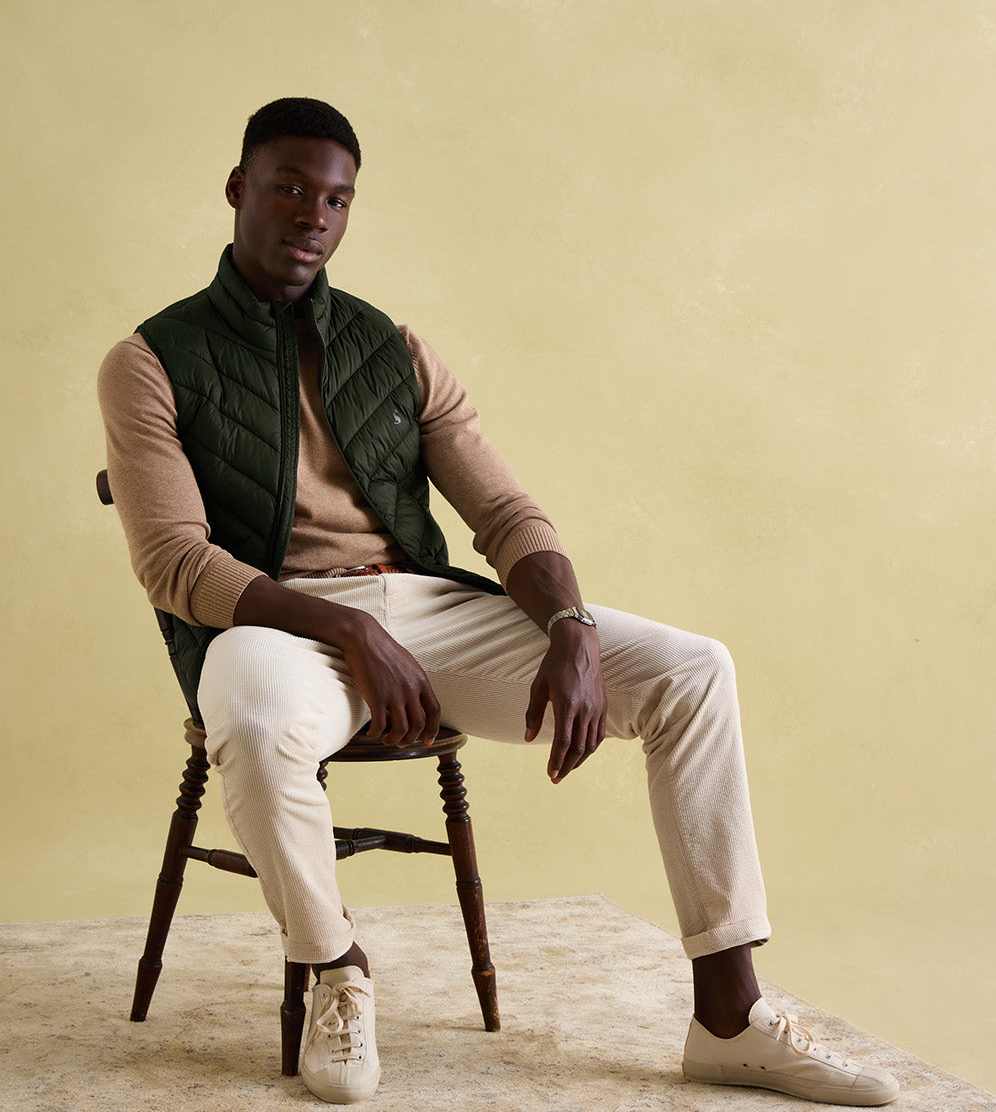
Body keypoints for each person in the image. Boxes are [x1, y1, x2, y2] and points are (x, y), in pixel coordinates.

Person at [98, 97, 898, 1107]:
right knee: (252, 727)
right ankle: (337, 967)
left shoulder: (391, 348)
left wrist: (569, 624)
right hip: (270, 620)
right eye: (289, 188)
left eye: (336, 199)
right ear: (238, 189)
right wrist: (348, 628)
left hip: (423, 608)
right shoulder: (149, 360)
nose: (312, 215)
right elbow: (175, 561)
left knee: (696, 670)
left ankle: (729, 1018)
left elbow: (505, 510)